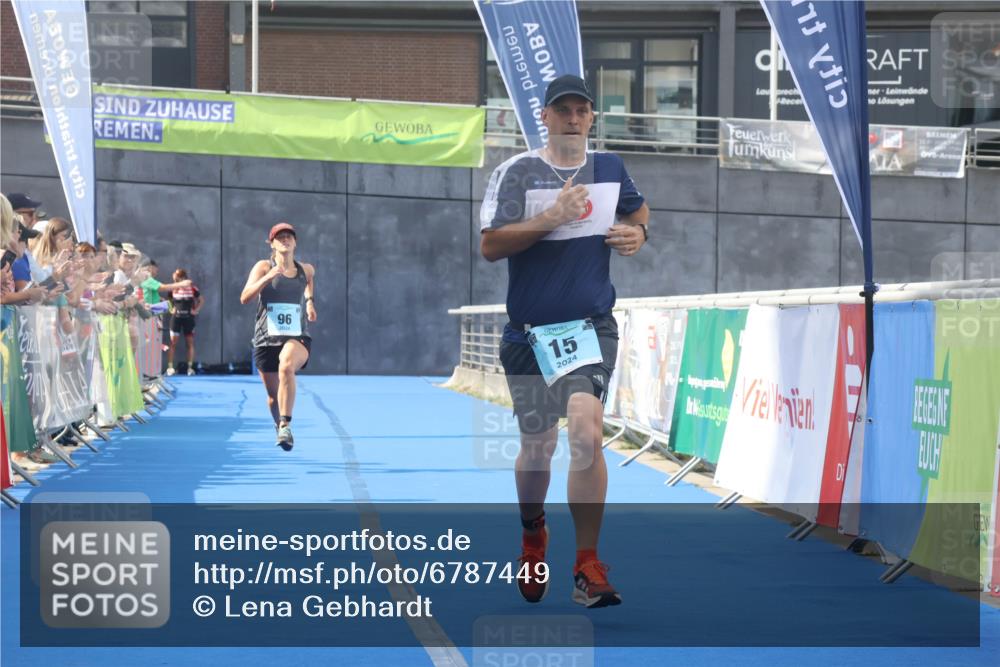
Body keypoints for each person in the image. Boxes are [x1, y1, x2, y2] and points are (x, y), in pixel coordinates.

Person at [480, 75, 649, 608]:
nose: (573, 118)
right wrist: (550, 217)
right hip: (529, 334)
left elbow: (638, 212)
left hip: (588, 326)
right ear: (545, 116)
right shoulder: (518, 172)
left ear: (593, 117)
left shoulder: (610, 168)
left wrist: (639, 234)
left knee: (585, 428)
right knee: (539, 444)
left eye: (582, 110)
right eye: (563, 110)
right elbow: (489, 246)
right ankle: (534, 536)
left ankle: (587, 564)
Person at [239, 222, 316, 451]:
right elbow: (244, 297)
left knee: (286, 366)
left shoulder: (306, 269)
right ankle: (279, 425)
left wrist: (310, 302)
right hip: (266, 338)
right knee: (273, 397)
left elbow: (309, 281)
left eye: (289, 236)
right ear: (271, 243)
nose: (285, 240)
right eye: (279, 237)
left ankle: (285, 423)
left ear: (295, 242)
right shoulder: (263, 266)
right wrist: (267, 277)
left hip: (297, 335)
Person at [166, 268, 203, 376]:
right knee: (173, 343)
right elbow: (168, 300)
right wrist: (170, 309)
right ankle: (170, 368)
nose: (174, 276)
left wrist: (196, 310)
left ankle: (190, 368)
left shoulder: (192, 288)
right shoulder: (172, 288)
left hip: (188, 318)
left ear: (182, 277)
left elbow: (201, 299)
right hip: (176, 318)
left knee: (190, 343)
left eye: (177, 275)